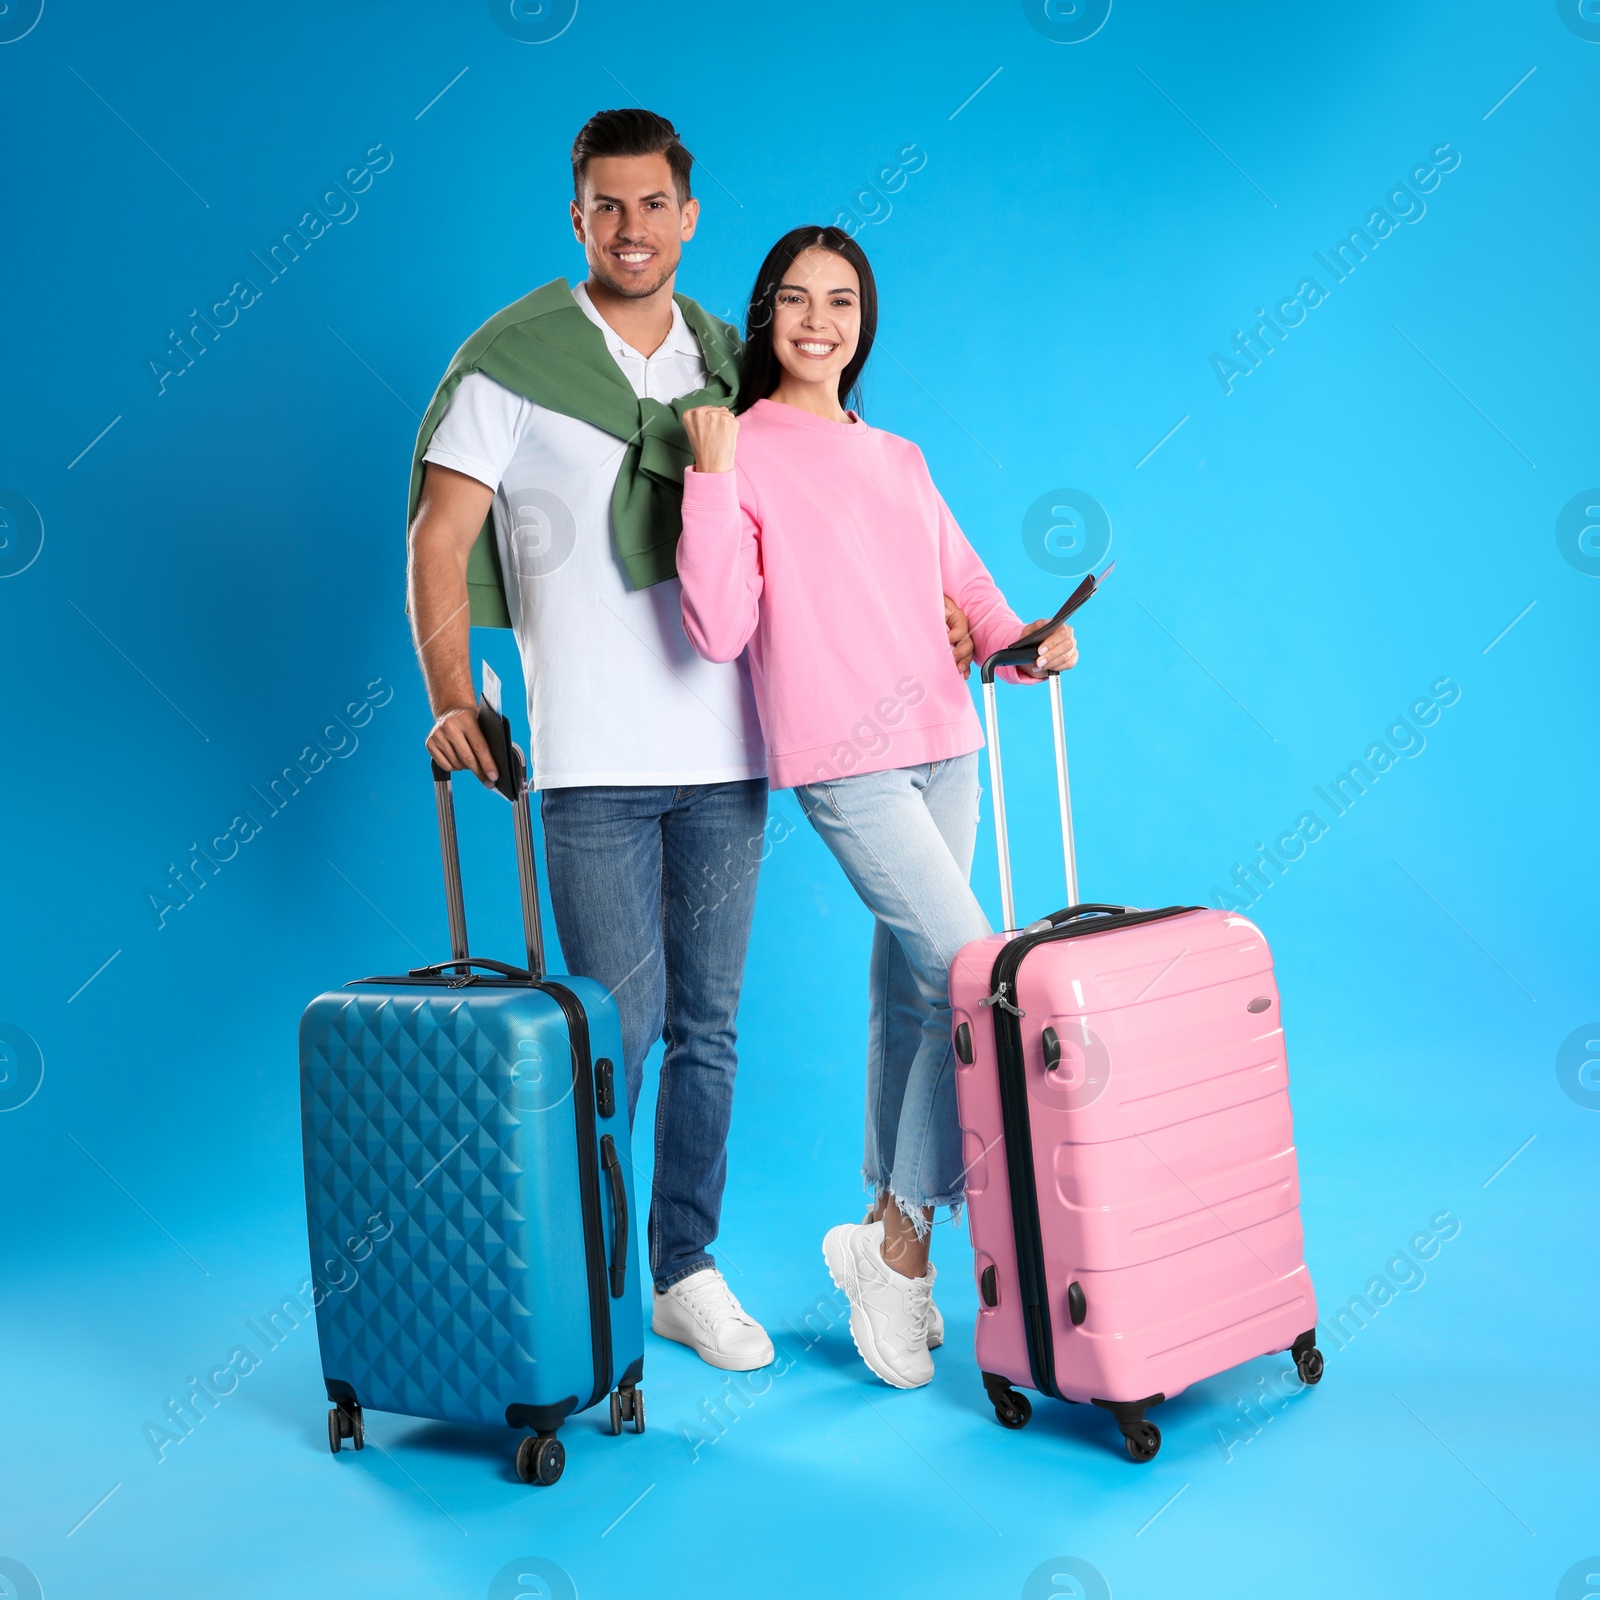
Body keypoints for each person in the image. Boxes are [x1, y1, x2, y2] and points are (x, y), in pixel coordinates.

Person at [407, 114, 980, 1373]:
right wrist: (454, 692)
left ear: (688, 215)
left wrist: (941, 614)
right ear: (577, 218)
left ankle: (682, 1270)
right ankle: (594, 1282)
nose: (632, 231)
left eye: (653, 206)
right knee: (621, 1029)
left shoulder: (731, 363)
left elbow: (836, 507)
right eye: (606, 209)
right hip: (592, 764)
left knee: (712, 1029)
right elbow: (438, 541)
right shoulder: (507, 364)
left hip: (729, 755)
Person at [675, 226, 1079, 1390]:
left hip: (948, 743)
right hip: (843, 759)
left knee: (918, 998)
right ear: (765, 317)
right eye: (795, 300)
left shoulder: (897, 455)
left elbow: (967, 591)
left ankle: (881, 1235)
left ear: (864, 321)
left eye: (841, 301)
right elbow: (716, 625)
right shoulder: (740, 448)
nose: (818, 321)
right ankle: (901, 1252)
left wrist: (1026, 643)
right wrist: (706, 477)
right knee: (977, 981)